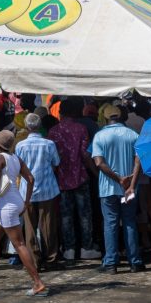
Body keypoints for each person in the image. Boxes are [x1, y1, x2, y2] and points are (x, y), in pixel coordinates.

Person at [0, 130, 48, 296]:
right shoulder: (15, 158)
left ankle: (38, 282)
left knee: (19, 244)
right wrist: (26, 202)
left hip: (6, 205)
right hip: (14, 202)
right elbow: (30, 179)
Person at [91, 104, 143, 273]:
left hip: (108, 188)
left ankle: (111, 263)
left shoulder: (100, 136)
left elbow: (99, 163)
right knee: (129, 222)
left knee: (110, 224)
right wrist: (131, 183)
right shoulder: (133, 134)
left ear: (106, 118)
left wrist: (118, 179)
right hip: (129, 189)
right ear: (121, 116)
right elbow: (138, 161)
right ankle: (135, 261)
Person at [48, 97, 99, 263]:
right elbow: (85, 155)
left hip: (61, 178)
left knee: (66, 215)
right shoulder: (81, 129)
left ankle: (69, 248)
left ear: (60, 112)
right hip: (81, 176)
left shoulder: (53, 131)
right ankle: (86, 247)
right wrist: (96, 173)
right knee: (85, 214)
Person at [15, 113, 61, 270]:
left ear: (26, 126)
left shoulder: (20, 146)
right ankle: (50, 259)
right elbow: (56, 163)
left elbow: (18, 168)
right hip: (47, 189)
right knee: (47, 226)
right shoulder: (49, 144)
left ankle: (33, 260)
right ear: (39, 126)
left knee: (30, 228)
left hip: (27, 191)